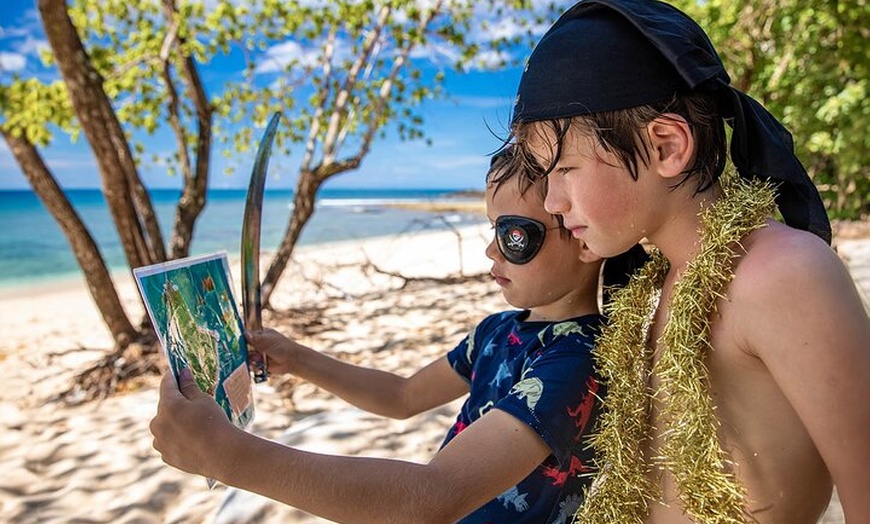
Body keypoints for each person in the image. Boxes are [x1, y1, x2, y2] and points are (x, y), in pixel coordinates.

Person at [506, 0, 870, 523]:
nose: (551, 202)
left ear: (667, 146)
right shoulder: (649, 288)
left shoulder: (780, 273)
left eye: (564, 168)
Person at [150, 149, 612, 523]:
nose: (491, 248)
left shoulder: (576, 361)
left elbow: (435, 496)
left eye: (514, 235)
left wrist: (227, 456)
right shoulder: (496, 331)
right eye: (493, 228)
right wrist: (297, 358)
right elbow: (402, 395)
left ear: (584, 235)